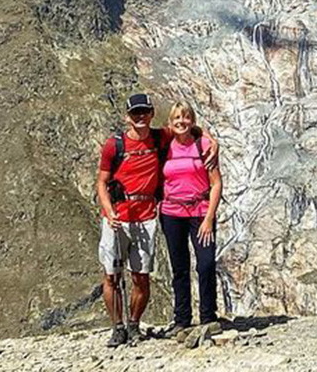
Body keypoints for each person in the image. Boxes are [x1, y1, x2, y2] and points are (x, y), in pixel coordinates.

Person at [96, 92, 166, 348]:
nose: (140, 117)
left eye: (144, 112)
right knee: (111, 276)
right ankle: (117, 327)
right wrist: (108, 210)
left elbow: (187, 128)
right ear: (128, 117)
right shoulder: (114, 146)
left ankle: (134, 324)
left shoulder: (160, 138)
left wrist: (210, 140)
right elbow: (102, 183)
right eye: (135, 113)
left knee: (141, 276)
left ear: (151, 113)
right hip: (117, 217)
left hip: (146, 217)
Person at [159, 102, 223, 344]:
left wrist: (209, 218)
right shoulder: (164, 145)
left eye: (186, 117)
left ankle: (208, 317)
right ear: (170, 122)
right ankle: (182, 320)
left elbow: (216, 183)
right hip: (171, 212)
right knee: (180, 268)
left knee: (206, 263)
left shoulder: (203, 145)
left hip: (200, 212)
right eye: (176, 117)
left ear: (192, 121)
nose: (181, 122)